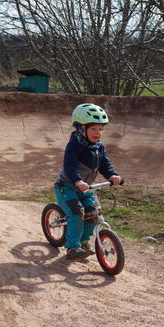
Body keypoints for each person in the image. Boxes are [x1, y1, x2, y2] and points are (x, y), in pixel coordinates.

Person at [54, 103, 123, 260]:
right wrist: (77, 181)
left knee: (93, 214)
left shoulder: (98, 147)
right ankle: (72, 247)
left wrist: (112, 175)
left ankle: (83, 242)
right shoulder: (74, 146)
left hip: (86, 188)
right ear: (80, 128)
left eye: (101, 129)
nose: (98, 133)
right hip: (67, 186)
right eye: (93, 129)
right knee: (77, 212)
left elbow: (105, 163)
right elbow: (70, 167)